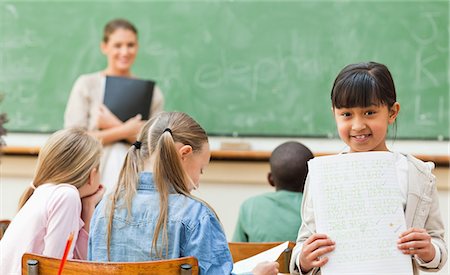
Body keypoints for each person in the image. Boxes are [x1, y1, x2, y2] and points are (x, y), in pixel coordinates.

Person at [290, 62, 448, 274]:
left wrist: (429, 250)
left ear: (392, 113)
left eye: (370, 112)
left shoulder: (418, 174)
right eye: (346, 114)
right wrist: (304, 259)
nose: (357, 125)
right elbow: (304, 241)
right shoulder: (323, 174)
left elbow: (438, 245)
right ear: (334, 114)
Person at [88, 112, 279, 275]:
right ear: (184, 153)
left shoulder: (105, 208)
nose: (197, 182)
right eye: (201, 169)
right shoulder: (196, 216)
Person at [64, 18, 164, 192]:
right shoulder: (87, 84)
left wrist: (112, 124)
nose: (124, 52)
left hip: (135, 181)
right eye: (118, 45)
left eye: (130, 45)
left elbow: (154, 146)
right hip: (91, 178)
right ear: (105, 47)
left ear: (137, 47)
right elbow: (73, 140)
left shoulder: (152, 93)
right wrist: (126, 130)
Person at [0, 128, 105, 274]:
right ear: (92, 175)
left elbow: (81, 263)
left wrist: (88, 207)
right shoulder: (66, 196)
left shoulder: (46, 192)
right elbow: (57, 269)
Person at [232, 141, 314, 242]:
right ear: (312, 180)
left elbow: (237, 252)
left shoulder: (249, 206)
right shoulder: (315, 209)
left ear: (270, 179)